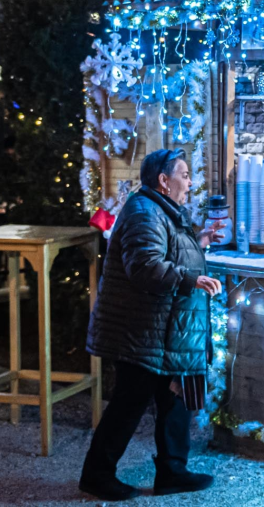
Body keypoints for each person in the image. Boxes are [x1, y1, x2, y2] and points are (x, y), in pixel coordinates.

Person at [80, 148, 225, 501]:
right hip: (140, 331)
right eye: (185, 175)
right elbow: (144, 266)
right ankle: (97, 475)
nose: (190, 183)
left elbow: (169, 250)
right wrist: (190, 278)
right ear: (164, 180)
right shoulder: (144, 211)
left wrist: (201, 240)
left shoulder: (162, 210)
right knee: (130, 401)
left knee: (172, 398)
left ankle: (173, 472)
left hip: (161, 331)